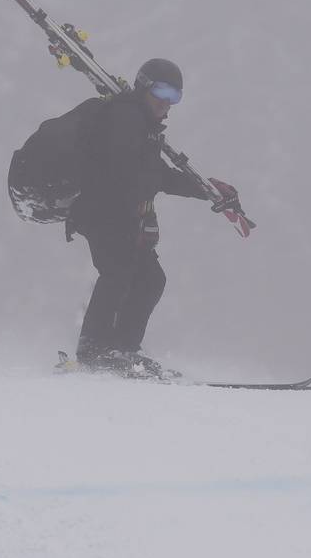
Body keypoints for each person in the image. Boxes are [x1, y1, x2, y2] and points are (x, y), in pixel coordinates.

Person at [66, 58, 239, 376]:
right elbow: (130, 171)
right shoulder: (125, 117)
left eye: (175, 96)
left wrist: (205, 189)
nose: (166, 102)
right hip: (102, 210)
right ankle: (93, 352)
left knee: (149, 279)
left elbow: (156, 174)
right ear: (144, 86)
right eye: (161, 91)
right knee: (118, 273)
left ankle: (120, 351)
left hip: (118, 214)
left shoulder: (140, 124)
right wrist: (155, 189)